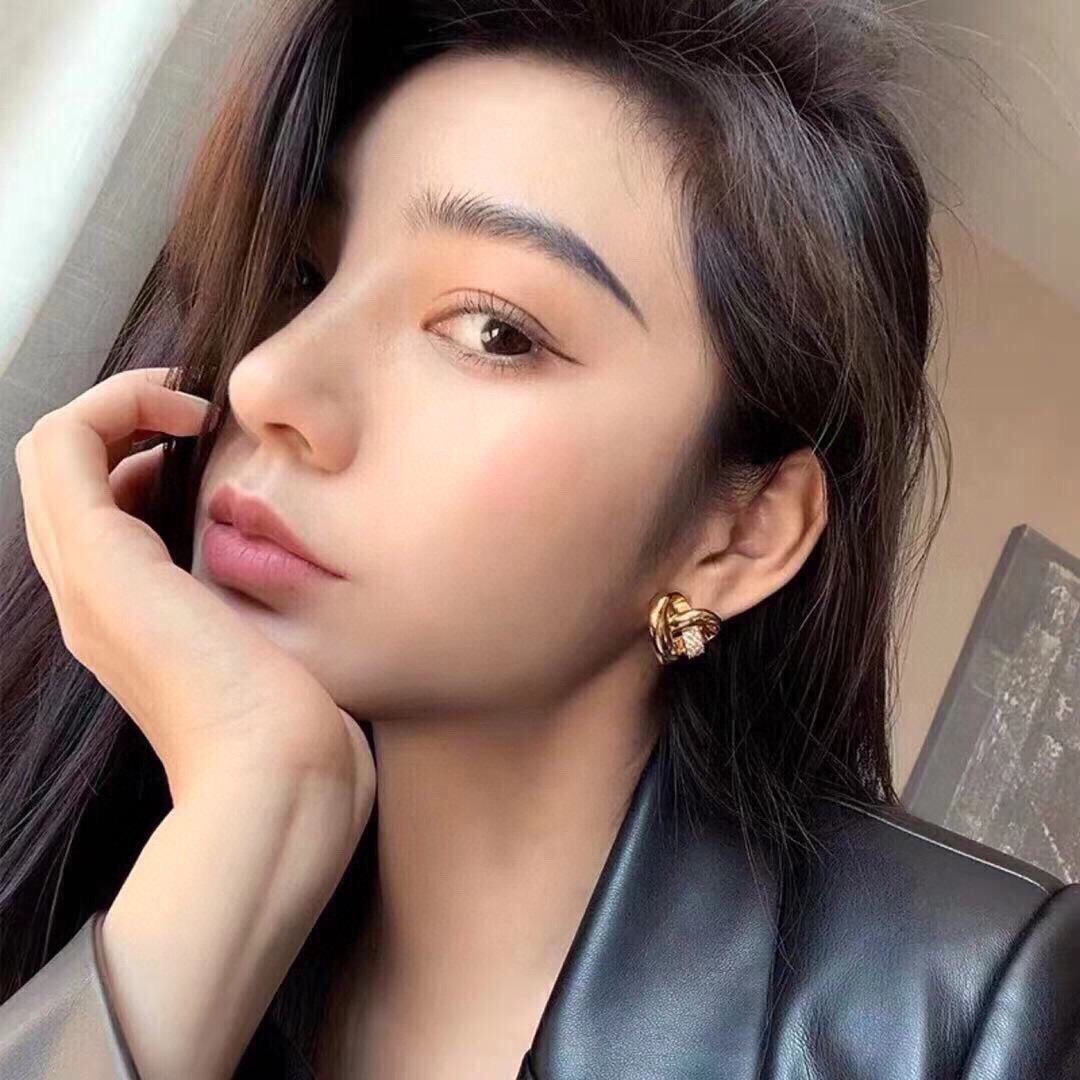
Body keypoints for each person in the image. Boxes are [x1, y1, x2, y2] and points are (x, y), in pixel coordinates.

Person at [2, 0, 1079, 1077]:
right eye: (305, 276)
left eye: (494, 331)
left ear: (740, 536)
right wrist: (254, 817)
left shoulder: (963, 1016)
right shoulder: (90, 846)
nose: (266, 380)